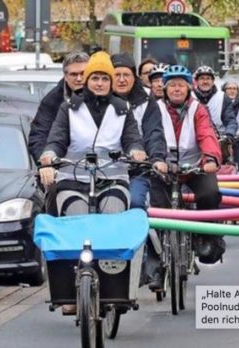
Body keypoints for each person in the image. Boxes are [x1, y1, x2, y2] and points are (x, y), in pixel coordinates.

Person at [38, 51, 147, 315]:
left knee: (113, 218)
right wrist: (49, 157)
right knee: (73, 219)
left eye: (104, 79)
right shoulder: (69, 108)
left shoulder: (123, 109)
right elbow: (56, 139)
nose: (99, 83)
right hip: (73, 178)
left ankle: (115, 285)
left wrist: (136, 152)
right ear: (87, 81)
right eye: (94, 78)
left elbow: (133, 139)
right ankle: (72, 287)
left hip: (112, 177)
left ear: (111, 82)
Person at [153, 65, 226, 264]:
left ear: (188, 89)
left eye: (181, 86)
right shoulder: (155, 108)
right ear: (165, 89)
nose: (177, 89)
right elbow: (151, 136)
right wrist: (154, 160)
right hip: (163, 168)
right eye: (172, 85)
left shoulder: (198, 109)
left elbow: (206, 134)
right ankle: (156, 251)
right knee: (154, 201)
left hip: (195, 167)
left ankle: (207, 237)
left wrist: (210, 158)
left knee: (210, 194)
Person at [111, 53, 168, 210]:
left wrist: (156, 158)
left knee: (135, 202)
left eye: (126, 75)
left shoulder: (146, 99)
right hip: (105, 169)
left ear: (134, 77)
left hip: (136, 169)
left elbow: (154, 132)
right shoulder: (100, 98)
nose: (122, 80)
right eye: (117, 75)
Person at [28, 51, 89, 161]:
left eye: (83, 73)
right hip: (64, 166)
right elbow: (39, 135)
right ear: (65, 76)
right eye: (74, 74)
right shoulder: (53, 100)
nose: (79, 78)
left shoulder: (104, 95)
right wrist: (46, 162)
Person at [192, 66, 238, 142]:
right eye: (202, 78)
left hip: (218, 138)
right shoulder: (190, 97)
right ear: (196, 81)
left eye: (208, 78)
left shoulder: (222, 97)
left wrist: (229, 134)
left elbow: (230, 120)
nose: (205, 81)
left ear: (213, 81)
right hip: (194, 139)